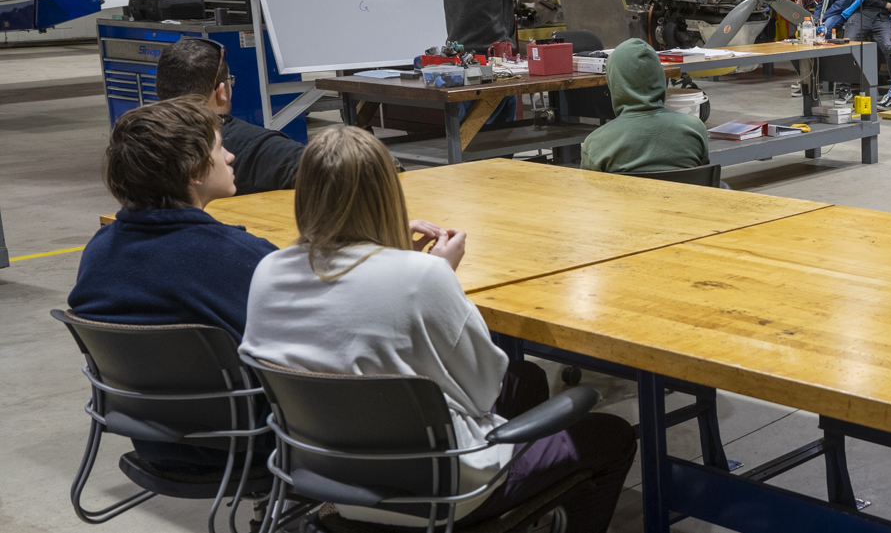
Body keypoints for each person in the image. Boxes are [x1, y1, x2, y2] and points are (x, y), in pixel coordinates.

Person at [239, 127, 636, 533]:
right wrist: (437, 275)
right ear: (388, 193)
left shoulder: (268, 272)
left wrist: (395, 258)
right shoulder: (421, 277)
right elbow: (485, 390)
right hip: (442, 493)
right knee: (612, 437)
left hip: (335, 485)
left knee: (528, 379)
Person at [69, 97, 275, 476]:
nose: (230, 157)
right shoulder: (244, 258)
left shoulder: (98, 251)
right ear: (194, 170)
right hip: (255, 441)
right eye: (219, 148)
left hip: (151, 438)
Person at [154, 37, 303, 194]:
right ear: (221, 92)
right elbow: (321, 171)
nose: (228, 157)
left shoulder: (139, 143)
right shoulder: (261, 148)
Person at [581, 37, 708, 175]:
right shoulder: (695, 129)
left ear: (614, 83)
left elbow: (591, 193)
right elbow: (705, 181)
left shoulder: (596, 144)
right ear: (659, 76)